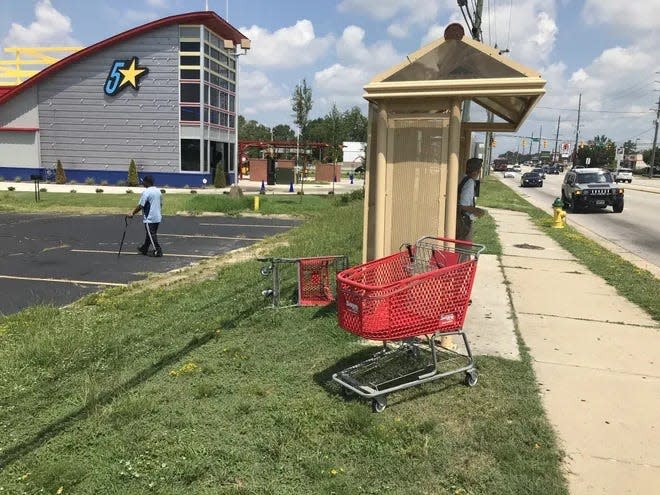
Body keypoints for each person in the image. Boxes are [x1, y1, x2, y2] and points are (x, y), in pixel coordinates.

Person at [129, 175, 163, 257]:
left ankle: (158, 250)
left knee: (151, 234)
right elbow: (161, 204)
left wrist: (132, 213)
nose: (142, 182)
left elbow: (141, 205)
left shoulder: (146, 192)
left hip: (149, 218)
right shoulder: (158, 191)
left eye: (143, 181)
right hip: (157, 217)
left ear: (147, 182)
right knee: (150, 234)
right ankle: (144, 248)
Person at [456, 157, 486, 241]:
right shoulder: (469, 183)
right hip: (464, 220)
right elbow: (462, 205)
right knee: (466, 247)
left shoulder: (465, 179)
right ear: (475, 171)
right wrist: (476, 210)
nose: (479, 171)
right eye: (479, 169)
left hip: (464, 219)